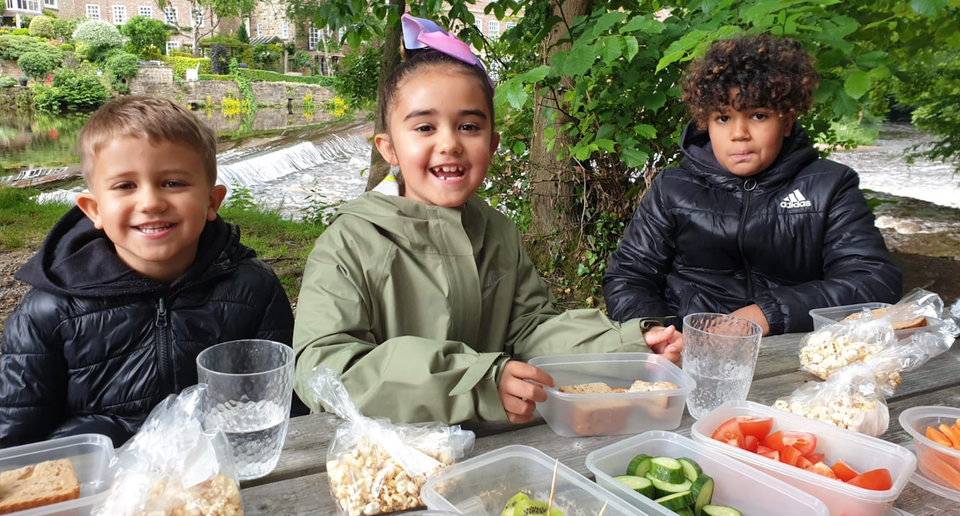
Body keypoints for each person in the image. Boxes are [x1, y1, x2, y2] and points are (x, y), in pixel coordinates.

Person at [293, 14, 682, 426]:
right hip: (391, 464)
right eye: (425, 127)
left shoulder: (498, 233)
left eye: (469, 126)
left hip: (496, 448)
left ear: (492, 144)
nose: (449, 143)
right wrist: (477, 381)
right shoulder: (349, 243)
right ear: (388, 148)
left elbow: (533, 330)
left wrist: (626, 346)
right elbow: (323, 368)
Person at [0, 96, 296, 448]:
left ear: (212, 202)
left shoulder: (254, 290)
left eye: (172, 183)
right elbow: (14, 438)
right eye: (125, 186)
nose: (151, 202)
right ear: (93, 209)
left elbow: (281, 405)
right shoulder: (48, 312)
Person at [602, 33, 902, 336]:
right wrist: (656, 332)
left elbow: (872, 281)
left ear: (786, 121)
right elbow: (628, 278)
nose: (739, 133)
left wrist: (766, 315)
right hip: (686, 350)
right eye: (723, 118)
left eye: (758, 115)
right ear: (705, 122)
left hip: (793, 351)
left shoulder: (830, 186)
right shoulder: (671, 188)